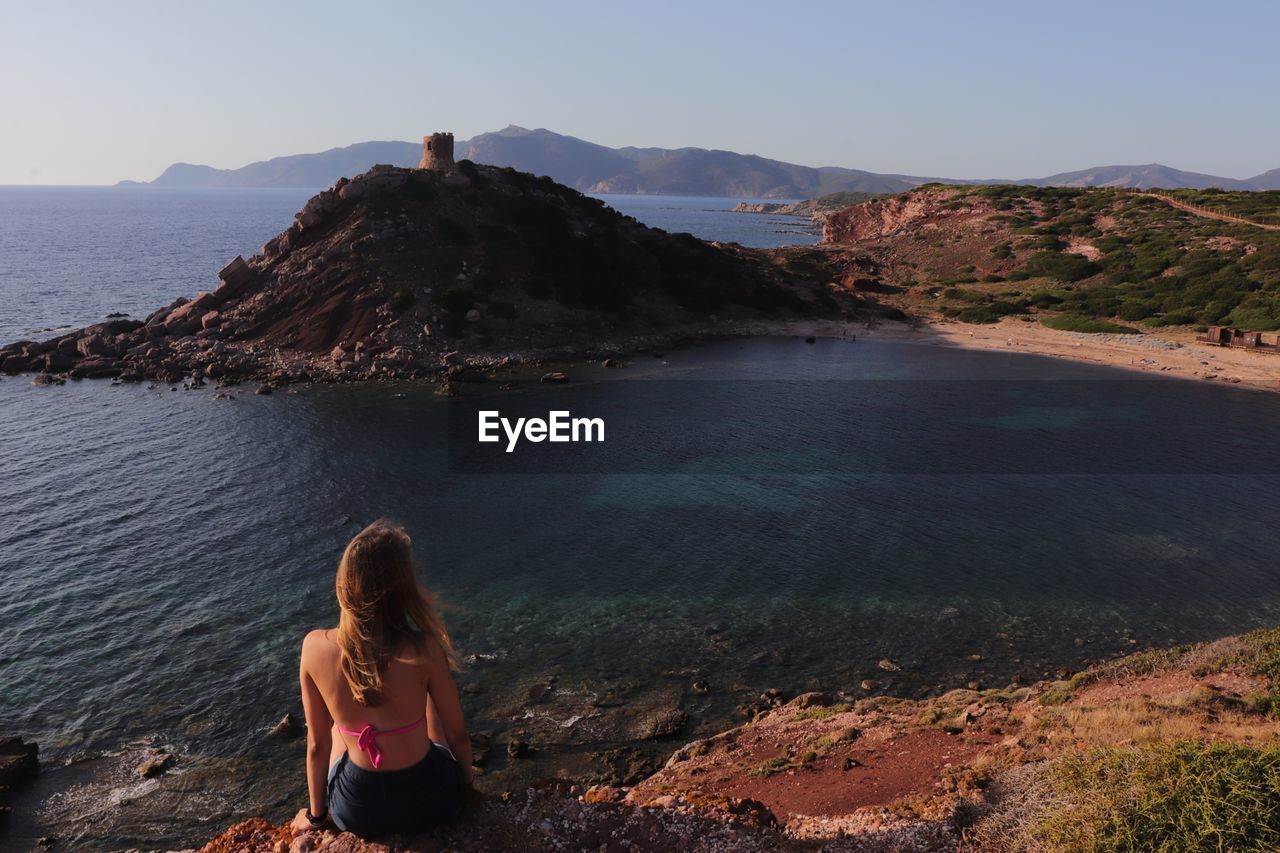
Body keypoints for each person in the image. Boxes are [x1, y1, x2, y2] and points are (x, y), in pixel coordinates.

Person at [291, 520, 471, 838]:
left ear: (344, 583)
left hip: (358, 811)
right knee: (428, 702)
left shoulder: (314, 647)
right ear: (403, 588)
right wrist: (468, 795)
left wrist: (317, 818)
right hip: (432, 801)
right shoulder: (424, 647)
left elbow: (317, 746)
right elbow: (458, 734)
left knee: (335, 729)